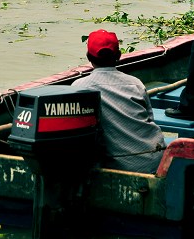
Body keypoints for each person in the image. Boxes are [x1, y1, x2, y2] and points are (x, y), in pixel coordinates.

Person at [71, 29, 166, 174]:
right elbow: (149, 119)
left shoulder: (79, 87)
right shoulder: (136, 83)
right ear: (119, 56)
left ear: (88, 57)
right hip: (155, 157)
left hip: (123, 165)